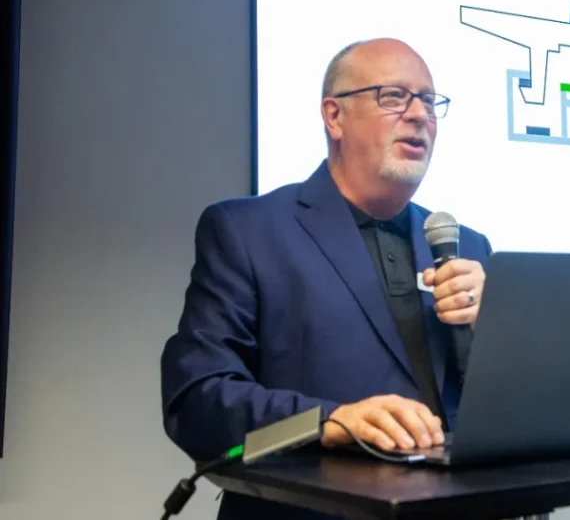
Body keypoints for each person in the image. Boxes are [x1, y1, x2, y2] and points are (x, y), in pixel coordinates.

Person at [160, 38, 492, 520]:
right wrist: (329, 421)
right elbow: (197, 399)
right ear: (334, 117)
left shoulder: (468, 247)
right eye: (394, 97)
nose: (419, 114)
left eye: (429, 100)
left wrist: (497, 333)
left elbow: (498, 411)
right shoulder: (248, 231)